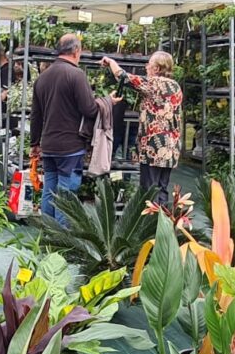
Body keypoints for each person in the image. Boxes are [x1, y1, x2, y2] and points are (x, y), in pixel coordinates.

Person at [30, 33, 99, 222]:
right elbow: (89, 109)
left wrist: (34, 143)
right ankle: (62, 242)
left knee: (49, 190)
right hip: (70, 146)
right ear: (77, 51)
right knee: (66, 194)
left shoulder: (42, 78)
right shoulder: (76, 75)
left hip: (49, 145)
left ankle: (47, 235)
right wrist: (106, 102)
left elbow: (35, 115)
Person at [102, 51, 182, 208]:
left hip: (154, 147)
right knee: (162, 189)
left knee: (149, 191)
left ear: (157, 68)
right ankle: (162, 226)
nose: (146, 67)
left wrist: (110, 62)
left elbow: (124, 77)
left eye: (149, 64)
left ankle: (149, 226)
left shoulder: (154, 84)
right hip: (170, 148)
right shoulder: (175, 86)